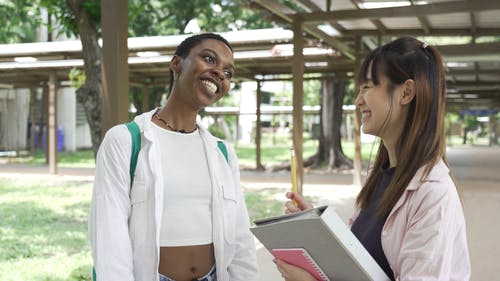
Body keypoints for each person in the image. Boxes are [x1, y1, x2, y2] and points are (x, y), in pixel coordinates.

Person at [275, 36, 471, 281]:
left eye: (367, 87)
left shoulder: (433, 195)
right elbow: (362, 261)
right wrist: (318, 227)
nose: (358, 100)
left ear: (406, 92)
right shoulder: (382, 176)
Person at [89, 33, 259, 281]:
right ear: (177, 63)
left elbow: (239, 235)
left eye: (228, 72)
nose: (220, 74)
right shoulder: (126, 140)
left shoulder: (223, 153)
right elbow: (110, 238)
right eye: (209, 59)